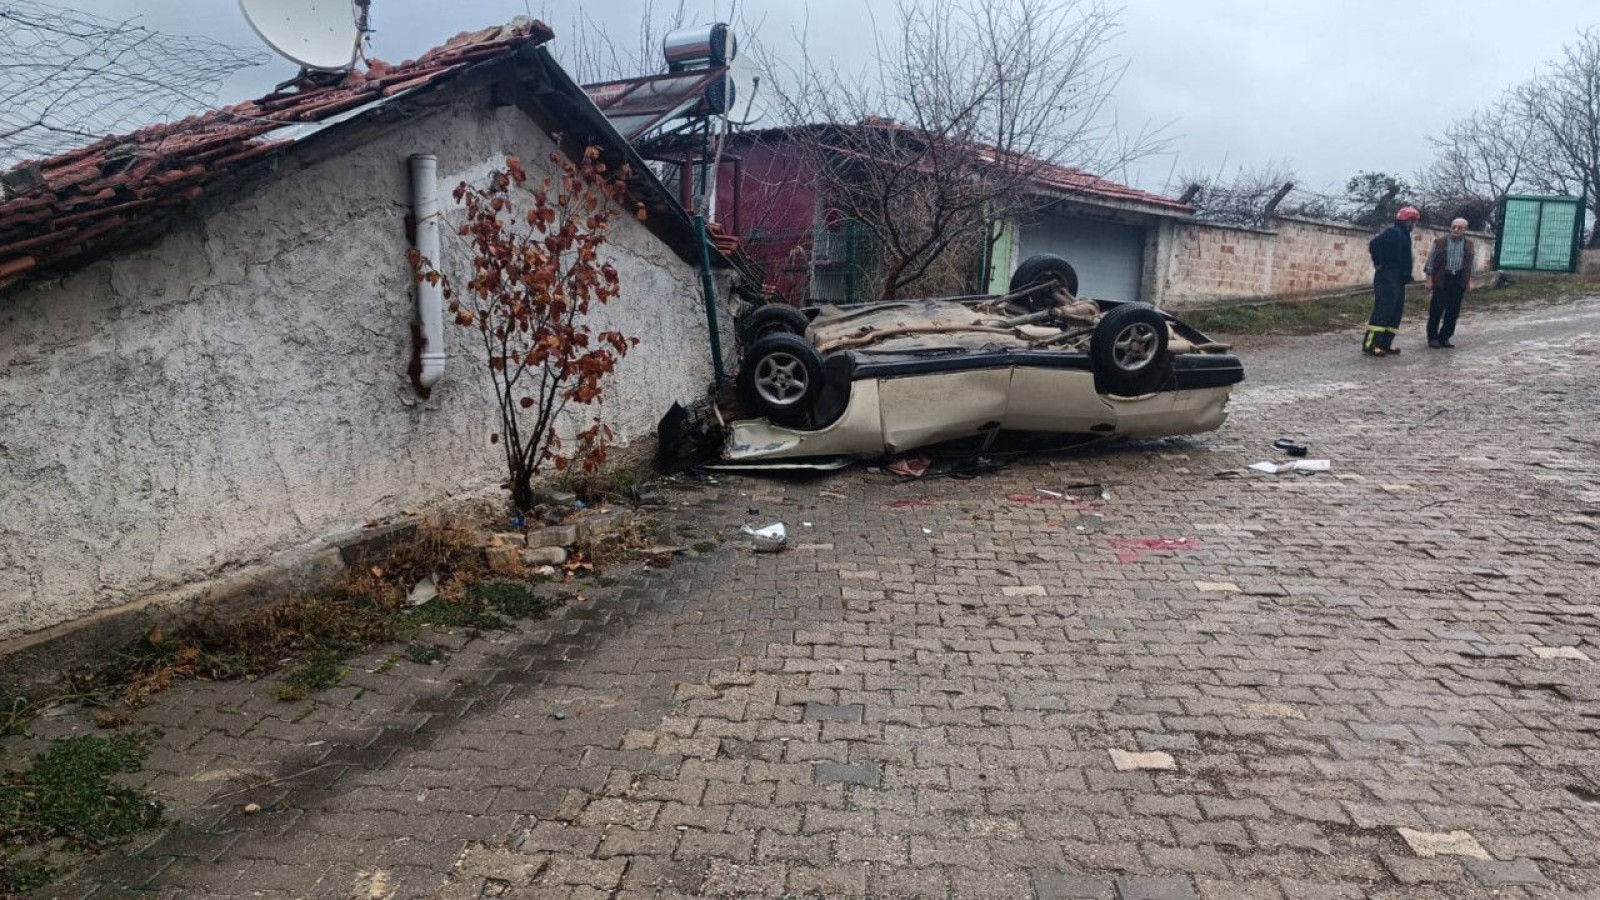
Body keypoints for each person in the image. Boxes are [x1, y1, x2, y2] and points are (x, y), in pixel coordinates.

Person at [1364, 206, 1420, 357]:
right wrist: (1378, 263)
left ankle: (1385, 343)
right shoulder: (1393, 232)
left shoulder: (1404, 234)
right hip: (1387, 277)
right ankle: (1371, 344)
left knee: (1395, 312)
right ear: (1409, 221)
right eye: (1414, 222)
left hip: (1398, 279)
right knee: (1383, 310)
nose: (1414, 225)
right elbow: (1374, 244)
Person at [1423, 217, 1475, 348]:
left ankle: (1445, 337)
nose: (1456, 230)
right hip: (1442, 279)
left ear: (1465, 230)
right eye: (1454, 227)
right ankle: (1432, 338)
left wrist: (1470, 281)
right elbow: (1430, 261)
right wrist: (1429, 279)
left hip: (1458, 279)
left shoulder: (1469, 244)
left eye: (1459, 227)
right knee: (1436, 310)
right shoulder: (1440, 242)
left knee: (1453, 311)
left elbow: (1470, 265)